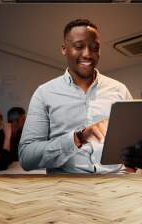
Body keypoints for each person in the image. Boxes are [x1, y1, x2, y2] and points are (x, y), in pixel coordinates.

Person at [19, 19, 133, 174]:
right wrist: (78, 138)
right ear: (64, 49)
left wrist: (134, 165)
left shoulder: (120, 90)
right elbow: (26, 157)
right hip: (66, 189)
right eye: (79, 46)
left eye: (94, 47)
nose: (87, 54)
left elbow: (133, 142)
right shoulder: (44, 93)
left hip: (115, 183)